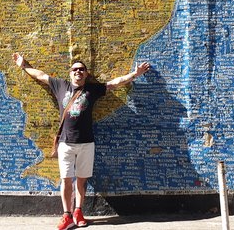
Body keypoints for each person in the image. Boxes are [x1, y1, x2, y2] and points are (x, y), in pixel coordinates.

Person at [12, 52, 150, 230]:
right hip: (66, 143)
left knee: (81, 181)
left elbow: (115, 83)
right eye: (75, 69)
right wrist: (24, 65)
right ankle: (66, 215)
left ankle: (78, 211)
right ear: (70, 73)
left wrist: (135, 74)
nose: (78, 71)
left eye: (81, 69)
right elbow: (41, 75)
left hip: (86, 143)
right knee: (66, 180)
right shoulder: (60, 85)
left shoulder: (92, 90)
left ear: (86, 74)